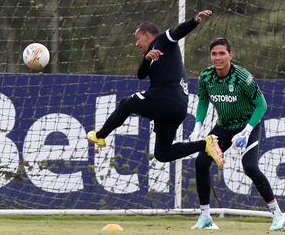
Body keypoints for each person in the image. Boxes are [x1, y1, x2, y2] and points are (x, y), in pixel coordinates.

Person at [87, 10, 223, 166]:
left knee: (126, 103)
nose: (136, 44)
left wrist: (195, 20)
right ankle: (206, 144)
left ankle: (100, 135)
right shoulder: (150, 56)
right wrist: (146, 59)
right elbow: (141, 75)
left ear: (147, 35)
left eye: (138, 39)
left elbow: (178, 31)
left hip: (168, 98)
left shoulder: (163, 40)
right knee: (162, 154)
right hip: (177, 108)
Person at [190, 37, 285, 231]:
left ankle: (278, 215)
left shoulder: (243, 77)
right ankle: (206, 216)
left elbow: (261, 105)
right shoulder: (206, 77)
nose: (217, 58)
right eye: (214, 54)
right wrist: (197, 127)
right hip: (223, 127)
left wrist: (246, 131)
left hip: (247, 126)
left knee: (249, 166)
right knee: (201, 162)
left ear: (230, 55)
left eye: (222, 53)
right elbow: (202, 101)